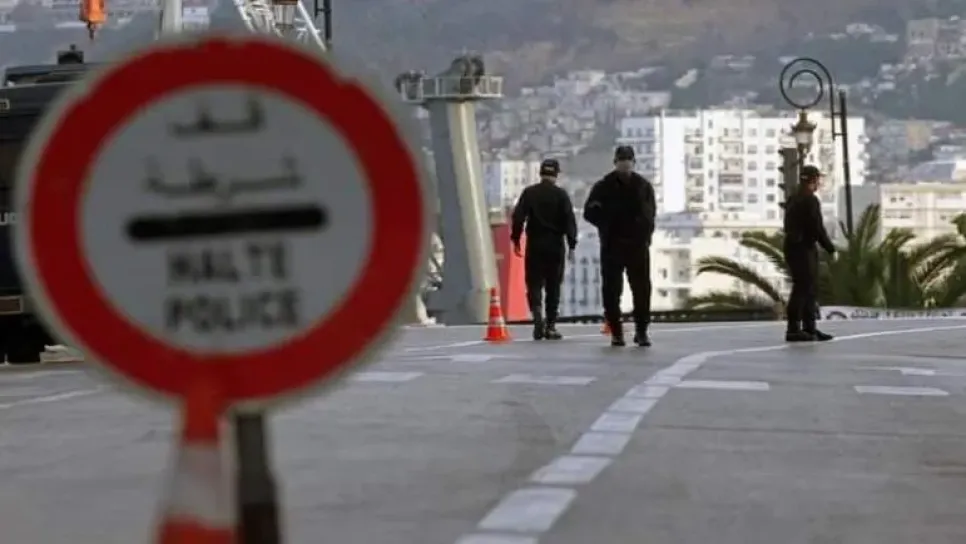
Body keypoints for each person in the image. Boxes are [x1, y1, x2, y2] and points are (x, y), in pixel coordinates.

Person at [583, 146, 656, 347]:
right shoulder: (603, 186)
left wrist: (644, 235)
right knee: (611, 291)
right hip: (612, 245)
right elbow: (589, 212)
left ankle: (641, 331)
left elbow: (650, 215)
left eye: (628, 160)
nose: (625, 163)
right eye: (622, 160)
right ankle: (616, 332)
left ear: (634, 162)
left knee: (641, 289)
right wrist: (606, 224)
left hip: (637, 246)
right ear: (615, 162)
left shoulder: (643, 186)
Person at [510, 158, 578, 340]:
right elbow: (570, 221)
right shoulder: (561, 195)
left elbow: (518, 217)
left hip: (535, 244)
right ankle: (550, 326)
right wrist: (572, 245)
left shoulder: (529, 193)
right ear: (556, 174)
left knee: (533, 283)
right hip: (555, 245)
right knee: (553, 286)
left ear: (541, 173)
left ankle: (537, 313)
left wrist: (516, 239)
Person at [783, 165, 835, 342]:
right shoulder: (810, 200)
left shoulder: (793, 198)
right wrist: (830, 248)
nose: (819, 183)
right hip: (803, 248)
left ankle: (809, 328)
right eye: (818, 179)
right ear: (813, 180)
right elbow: (817, 228)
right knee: (803, 288)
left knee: (807, 289)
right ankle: (794, 329)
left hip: (794, 247)